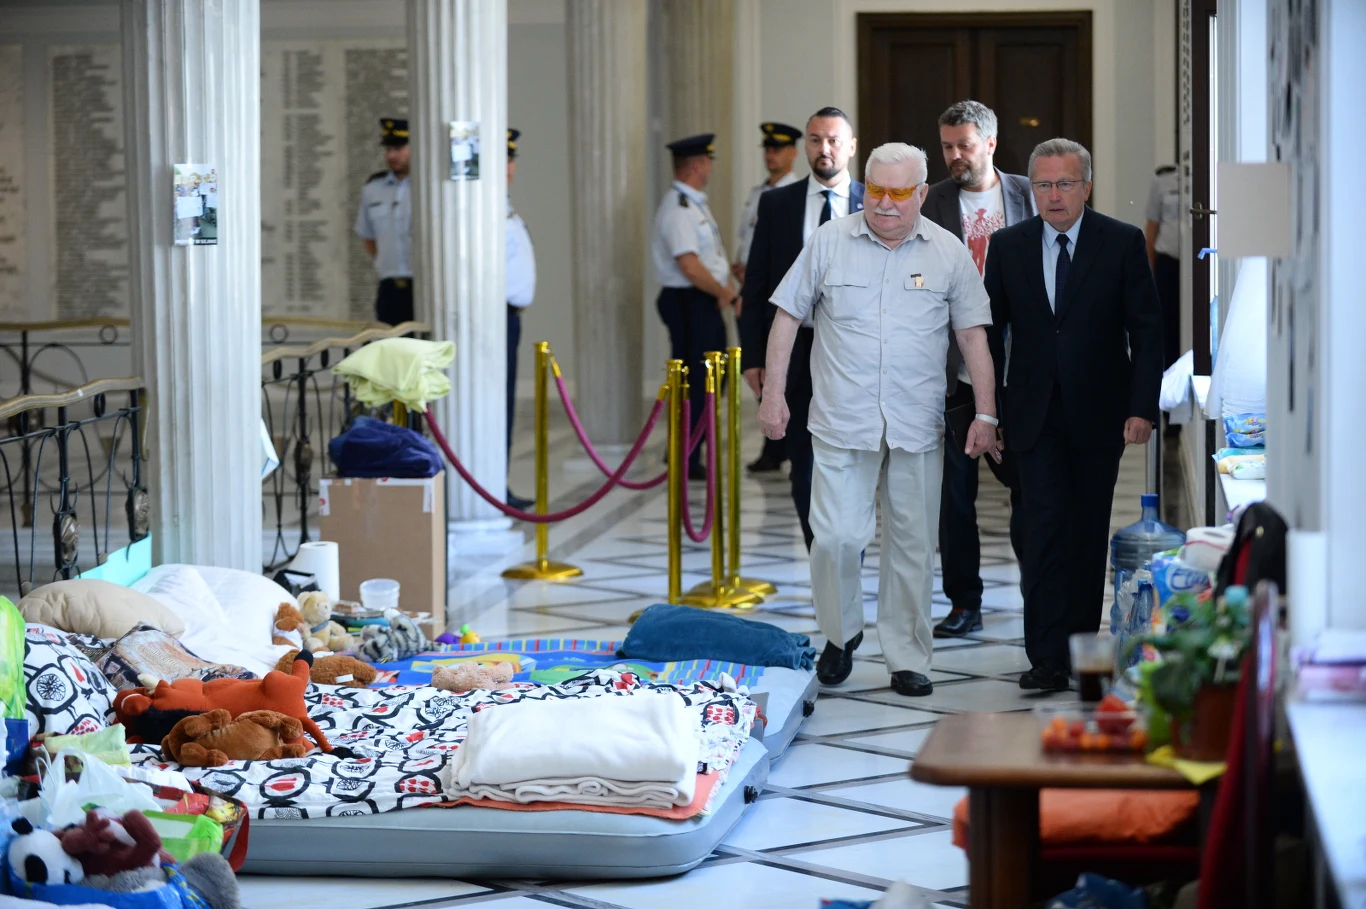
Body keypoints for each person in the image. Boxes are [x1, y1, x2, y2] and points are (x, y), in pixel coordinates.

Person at [759, 142, 999, 697]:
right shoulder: (829, 242)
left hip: (918, 422)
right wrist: (774, 396)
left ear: (921, 193)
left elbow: (973, 338)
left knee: (913, 545)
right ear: (863, 186)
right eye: (875, 191)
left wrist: (985, 412)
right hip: (842, 419)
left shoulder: (946, 251)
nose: (885, 204)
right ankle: (841, 636)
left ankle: (907, 657)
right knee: (837, 539)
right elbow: (786, 318)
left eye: (899, 193)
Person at [983, 138, 1164, 690]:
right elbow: (988, 335)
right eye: (1042, 184)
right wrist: (988, 413)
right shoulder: (1007, 245)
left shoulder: (1122, 242)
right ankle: (1045, 657)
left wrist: (1141, 408)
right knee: (1039, 532)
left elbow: (1147, 330)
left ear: (1087, 185)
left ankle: (1084, 652)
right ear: (1029, 188)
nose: (1054, 196)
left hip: (1099, 414)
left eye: (1065, 184)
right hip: (1031, 415)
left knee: (1085, 533)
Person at [920, 100, 1033, 639]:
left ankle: (1039, 589)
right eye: (947, 146)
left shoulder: (1030, 195)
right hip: (950, 371)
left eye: (964, 145)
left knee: (1029, 488)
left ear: (989, 143)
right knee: (952, 495)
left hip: (1022, 368)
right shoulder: (931, 201)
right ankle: (964, 601)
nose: (955, 156)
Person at [739, 107, 864, 549]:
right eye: (815, 140)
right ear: (805, 146)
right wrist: (753, 358)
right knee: (804, 465)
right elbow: (756, 285)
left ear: (851, 146)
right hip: (795, 351)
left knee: (855, 465)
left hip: (857, 355)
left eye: (833, 140)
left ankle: (851, 552)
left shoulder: (878, 203)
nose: (824, 149)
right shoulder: (777, 204)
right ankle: (821, 555)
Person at [652, 133, 737, 481]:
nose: (709, 168)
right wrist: (722, 292)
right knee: (697, 381)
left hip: (699, 299)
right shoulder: (679, 208)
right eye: (707, 162)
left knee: (708, 379)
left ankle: (688, 450)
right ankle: (686, 455)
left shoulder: (692, 204)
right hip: (690, 301)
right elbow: (689, 264)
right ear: (698, 165)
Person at [734, 121, 802, 475]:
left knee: (782, 371)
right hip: (752, 292)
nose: (771, 154)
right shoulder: (758, 192)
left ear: (793, 153)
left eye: (778, 149)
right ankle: (773, 445)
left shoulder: (794, 195)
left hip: (778, 296)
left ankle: (783, 445)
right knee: (758, 368)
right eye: (767, 149)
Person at [354, 118, 413, 326]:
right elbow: (369, 238)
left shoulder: (428, 187)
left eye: (398, 148)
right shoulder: (373, 189)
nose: (391, 155)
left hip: (424, 287)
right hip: (389, 289)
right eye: (388, 149)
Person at [505, 128, 536, 512]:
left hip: (509, 317)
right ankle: (491, 486)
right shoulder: (486, 209)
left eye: (510, 160)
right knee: (498, 405)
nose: (509, 168)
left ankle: (499, 481)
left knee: (506, 405)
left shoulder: (505, 207)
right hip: (495, 318)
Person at [1144, 165, 1182, 372]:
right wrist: (1150, 270)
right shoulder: (1162, 180)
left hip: (1195, 265)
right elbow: (1152, 228)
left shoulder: (1204, 175)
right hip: (1168, 264)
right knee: (1167, 324)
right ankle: (1166, 376)